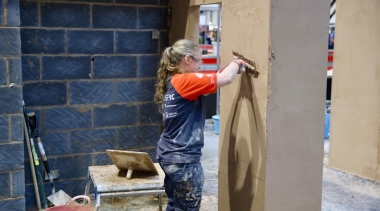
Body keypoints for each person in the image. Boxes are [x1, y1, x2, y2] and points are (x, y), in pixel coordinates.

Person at [154, 39, 245, 211]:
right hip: (183, 161)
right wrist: (237, 62)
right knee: (187, 208)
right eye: (199, 59)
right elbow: (226, 78)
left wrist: (228, 66)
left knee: (175, 205)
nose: (201, 64)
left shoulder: (173, 80)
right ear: (188, 60)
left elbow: (217, 77)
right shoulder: (186, 80)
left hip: (169, 156)